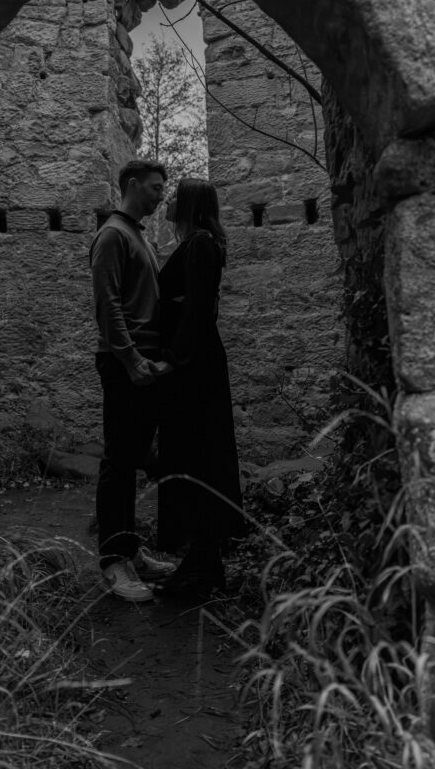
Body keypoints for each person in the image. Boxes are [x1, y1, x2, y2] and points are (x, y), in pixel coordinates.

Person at [90, 158, 176, 602]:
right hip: (126, 365)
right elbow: (108, 305)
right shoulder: (112, 235)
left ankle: (131, 551)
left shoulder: (139, 236)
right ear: (132, 184)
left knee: (134, 457)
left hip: (144, 364)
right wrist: (130, 358)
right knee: (119, 462)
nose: (162, 195)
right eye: (156, 187)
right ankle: (113, 562)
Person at [154, 177, 245, 599]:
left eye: (175, 195)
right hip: (195, 364)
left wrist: (172, 357)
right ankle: (202, 562)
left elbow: (196, 311)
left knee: (197, 455)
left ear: (190, 204)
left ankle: (201, 565)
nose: (168, 200)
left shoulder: (201, 245)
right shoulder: (198, 244)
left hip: (194, 369)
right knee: (193, 455)